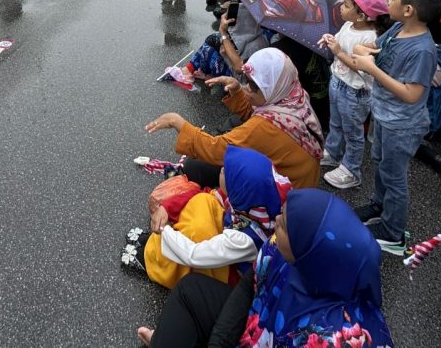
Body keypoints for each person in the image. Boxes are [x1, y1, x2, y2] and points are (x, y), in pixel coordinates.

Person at [137, 189, 392, 348]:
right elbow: (250, 284)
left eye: (283, 225)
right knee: (190, 291)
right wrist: (219, 341)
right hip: (259, 323)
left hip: (264, 330)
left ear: (309, 252)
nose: (277, 221)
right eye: (282, 212)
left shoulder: (338, 338)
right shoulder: (285, 248)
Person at [350, 0, 441, 253]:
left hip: (402, 125)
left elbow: (412, 94)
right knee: (380, 163)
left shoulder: (422, 49)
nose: (388, 2)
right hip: (384, 115)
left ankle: (393, 231)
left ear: (409, 9)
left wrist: (372, 68)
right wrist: (366, 54)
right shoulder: (397, 29)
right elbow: (372, 49)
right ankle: (380, 204)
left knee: (394, 175)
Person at [146, 48, 323, 189]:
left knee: (194, 166)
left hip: (286, 199)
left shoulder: (266, 126)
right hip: (303, 181)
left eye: (254, 86)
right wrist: (238, 91)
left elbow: (216, 150)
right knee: (235, 123)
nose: (247, 88)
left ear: (273, 87)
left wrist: (178, 123)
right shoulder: (293, 94)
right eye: (246, 81)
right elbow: (255, 117)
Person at [139, 146, 285, 290]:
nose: (221, 170)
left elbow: (193, 254)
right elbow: (204, 194)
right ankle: (160, 246)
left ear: (239, 190)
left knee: (197, 232)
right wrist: (167, 208)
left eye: (227, 172)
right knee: (204, 200)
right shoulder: (252, 204)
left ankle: (157, 264)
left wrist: (164, 228)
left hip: (230, 277)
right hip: (223, 251)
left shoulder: (246, 240)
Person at [318, 0, 390, 190]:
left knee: (353, 133)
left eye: (347, 4)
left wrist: (339, 52)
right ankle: (333, 152)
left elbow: (362, 68)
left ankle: (351, 170)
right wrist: (330, 40)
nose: (341, 6)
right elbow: (339, 44)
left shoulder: (371, 39)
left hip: (355, 92)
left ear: (362, 15)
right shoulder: (348, 26)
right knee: (336, 123)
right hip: (338, 82)